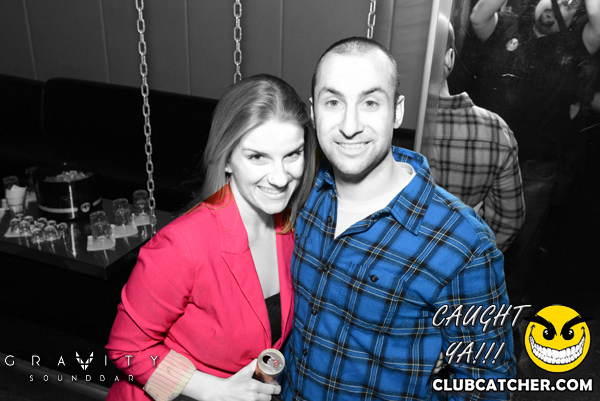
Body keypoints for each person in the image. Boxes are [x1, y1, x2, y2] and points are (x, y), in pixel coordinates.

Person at [281, 37, 515, 401]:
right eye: (333, 102)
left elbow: (487, 386)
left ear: (397, 111)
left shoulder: (463, 243)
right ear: (313, 112)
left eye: (370, 102)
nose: (349, 125)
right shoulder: (302, 196)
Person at [105, 74, 316, 401]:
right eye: (257, 157)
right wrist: (212, 390)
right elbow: (126, 348)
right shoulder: (182, 244)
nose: (279, 177)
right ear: (227, 158)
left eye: (292, 154)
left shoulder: (291, 228)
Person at [465, 0, 600, 301]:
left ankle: (507, 311)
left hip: (535, 168)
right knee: (469, 232)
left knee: (521, 245)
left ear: (575, 16)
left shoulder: (576, 46)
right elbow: (478, 15)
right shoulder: (504, 27)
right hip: (485, 158)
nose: (558, 5)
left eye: (569, 4)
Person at [429, 22, 525, 253]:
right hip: (459, 258)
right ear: (449, 58)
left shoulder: (375, 125)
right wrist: (471, 261)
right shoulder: (494, 130)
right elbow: (508, 221)